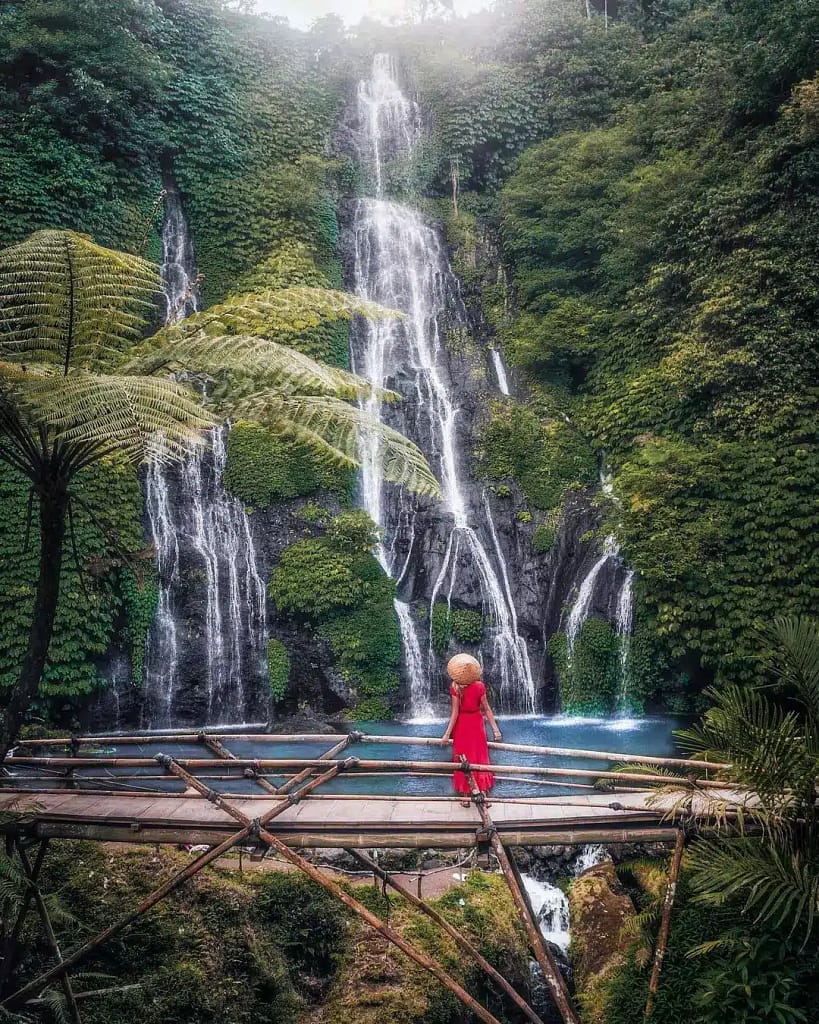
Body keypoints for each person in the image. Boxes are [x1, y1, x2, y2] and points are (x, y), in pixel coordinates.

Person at [441, 653, 503, 807]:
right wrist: (495, 730)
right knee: (480, 757)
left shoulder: (455, 688)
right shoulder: (480, 686)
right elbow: (487, 709)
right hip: (477, 725)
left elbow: (455, 713)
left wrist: (447, 734)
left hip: (462, 726)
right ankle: (483, 794)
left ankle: (466, 796)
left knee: (463, 759)